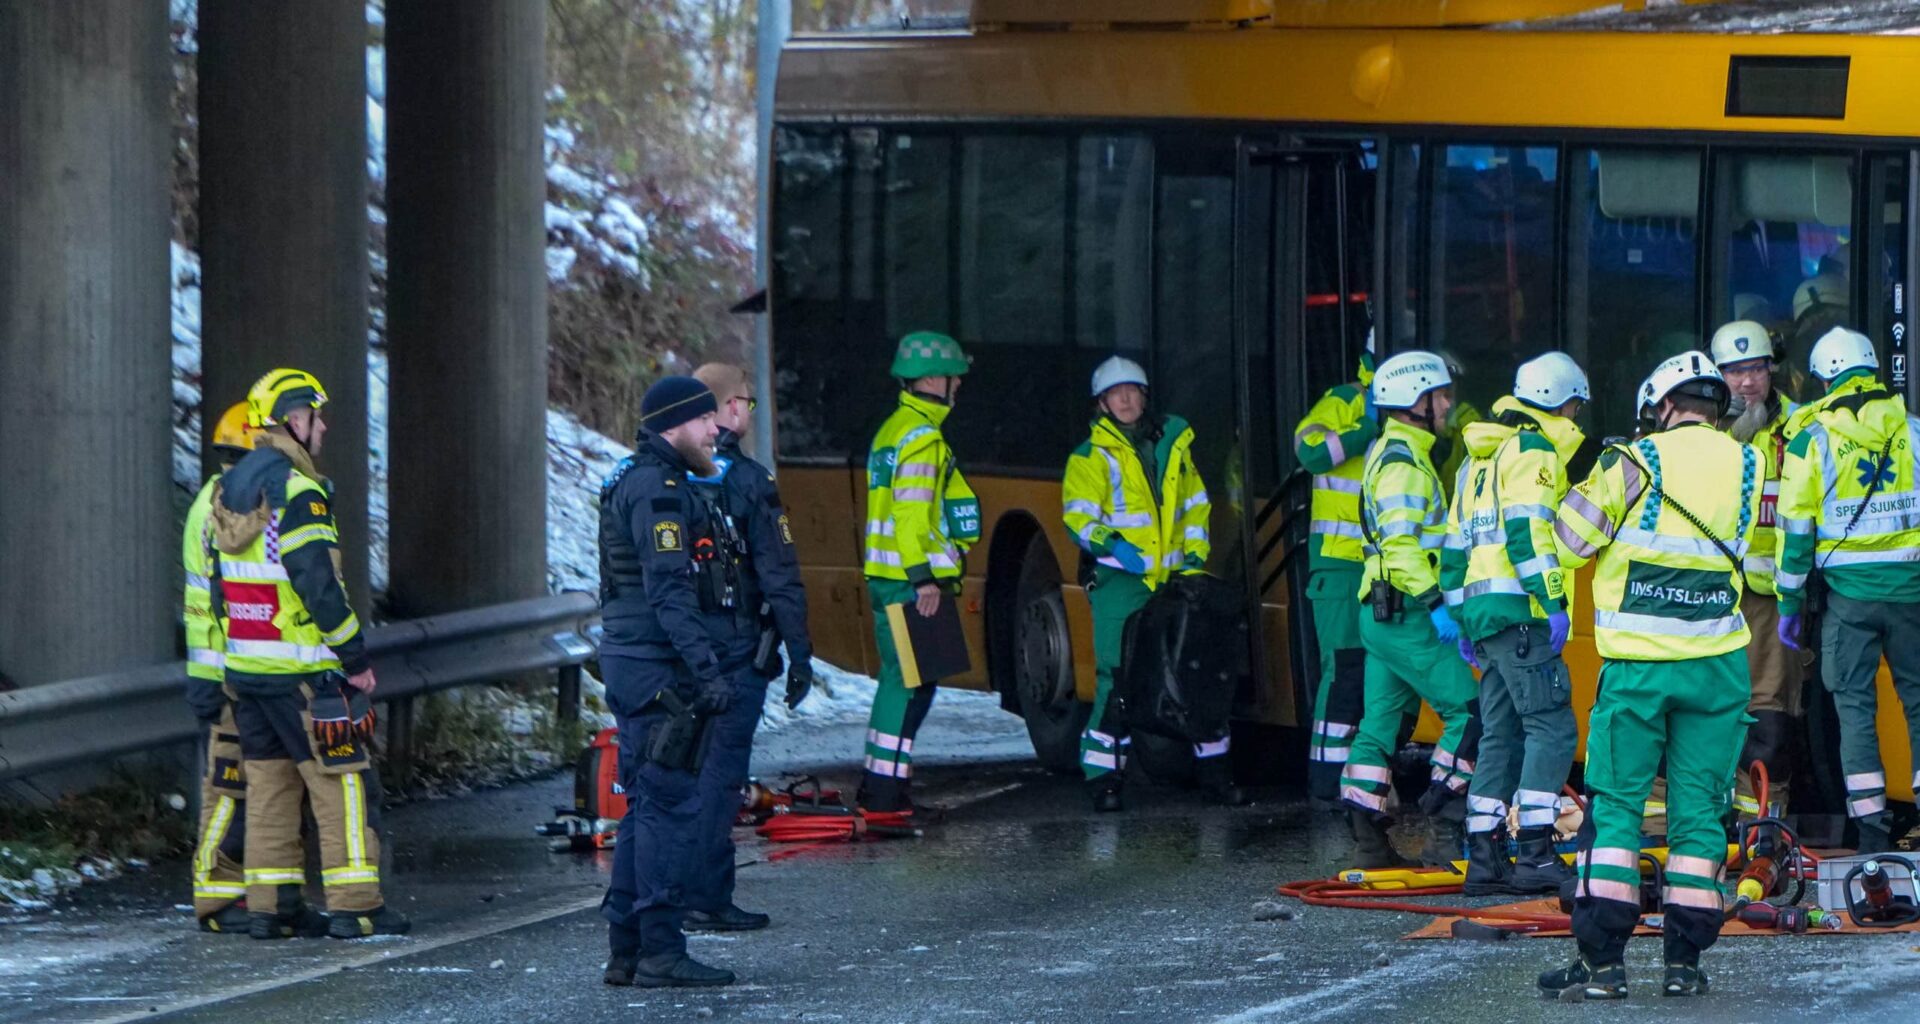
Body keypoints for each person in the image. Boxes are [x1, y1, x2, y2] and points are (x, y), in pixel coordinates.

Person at [1543, 352, 1760, 999]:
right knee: (1698, 817)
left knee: (1617, 811)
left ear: (1661, 407)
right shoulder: (1750, 464)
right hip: (1717, 669)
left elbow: (1569, 538)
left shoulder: (1632, 463)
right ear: (1717, 406)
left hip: (1639, 667)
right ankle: (1683, 967)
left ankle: (1604, 965)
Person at [210, 369, 406, 940]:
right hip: (305, 673)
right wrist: (353, 657)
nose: (321, 428)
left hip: (249, 671)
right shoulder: (298, 492)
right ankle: (356, 906)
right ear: (295, 420)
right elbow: (317, 582)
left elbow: (222, 586)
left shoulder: (229, 489)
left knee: (269, 786)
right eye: (316, 417)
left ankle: (271, 909)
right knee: (341, 783)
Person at [597, 376, 740, 987]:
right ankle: (659, 949)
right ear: (675, 424)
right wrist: (705, 668)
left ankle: (627, 950)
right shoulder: (659, 489)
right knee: (670, 805)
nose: (717, 429)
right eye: (707, 419)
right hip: (657, 669)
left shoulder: (641, 477)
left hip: (637, 663)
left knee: (645, 807)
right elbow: (668, 589)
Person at [1062, 356, 1240, 813]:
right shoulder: (1090, 456)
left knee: (1193, 672)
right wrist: (1114, 546)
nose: (1125, 399)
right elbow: (1079, 519)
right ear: (1101, 403)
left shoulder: (1174, 446)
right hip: (1122, 580)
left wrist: (1195, 560)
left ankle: (1215, 777)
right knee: (1117, 678)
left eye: (1133, 391)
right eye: (1116, 393)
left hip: (1177, 579)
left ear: (1145, 397)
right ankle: (1102, 779)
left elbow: (1196, 506)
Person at [1443, 353, 1587, 896]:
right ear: (1559, 401)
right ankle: (1535, 852)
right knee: (1551, 729)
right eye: (1575, 404)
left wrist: (1462, 619)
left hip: (1485, 618)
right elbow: (1530, 534)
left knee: (1500, 733)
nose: (1577, 415)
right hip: (1522, 614)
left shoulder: (1476, 459)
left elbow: (1454, 550)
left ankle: (1484, 857)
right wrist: (1552, 600)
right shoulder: (1533, 452)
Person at [1775, 327, 1920, 854]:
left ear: (1824, 380)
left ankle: (1873, 832)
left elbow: (1795, 535)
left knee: (1855, 711)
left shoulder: (1811, 440)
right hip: (1912, 596)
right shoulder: (1913, 432)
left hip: (1849, 603)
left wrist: (1789, 605)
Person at [681, 363, 814, 932]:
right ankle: (707, 896)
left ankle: (667, 894)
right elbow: (778, 573)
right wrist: (800, 654)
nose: (750, 414)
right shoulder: (749, 481)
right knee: (720, 773)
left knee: (673, 773)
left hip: (678, 648)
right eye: (749, 404)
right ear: (729, 407)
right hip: (736, 648)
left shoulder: (657, 475)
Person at [1342, 351, 1480, 869]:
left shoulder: (1395, 451)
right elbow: (1401, 550)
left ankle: (1369, 845)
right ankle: (1446, 832)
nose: (1447, 405)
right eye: (1440, 396)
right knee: (1471, 715)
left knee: (1380, 728)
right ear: (1414, 402)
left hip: (1382, 615)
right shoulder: (1405, 466)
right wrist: (1436, 604)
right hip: (1406, 615)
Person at [859, 332, 981, 813]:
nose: (958, 388)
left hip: (890, 577)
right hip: (909, 582)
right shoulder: (922, 437)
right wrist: (923, 578)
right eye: (955, 378)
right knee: (907, 684)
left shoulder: (894, 429)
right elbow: (911, 514)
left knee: (907, 681)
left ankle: (883, 784)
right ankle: (886, 794)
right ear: (933, 379)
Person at [1708, 320, 1806, 819]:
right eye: (1735, 372)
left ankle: (1760, 825)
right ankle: (1690, 822)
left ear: (1772, 370)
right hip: (1710, 595)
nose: (1747, 382)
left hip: (1772, 597)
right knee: (1703, 711)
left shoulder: (1802, 428)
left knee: (1768, 715)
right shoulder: (1701, 429)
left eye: (1756, 370)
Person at [182, 402, 257, 933]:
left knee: (240, 789)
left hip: (231, 668)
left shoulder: (214, 499)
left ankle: (243, 888)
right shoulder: (226, 507)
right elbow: (208, 602)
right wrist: (210, 679)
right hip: (231, 672)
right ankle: (217, 894)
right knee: (228, 789)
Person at [1292, 350, 1379, 805]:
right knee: (1346, 670)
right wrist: (1365, 427)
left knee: (1373, 675)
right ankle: (1327, 784)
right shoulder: (1345, 401)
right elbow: (1309, 451)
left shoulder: (1416, 413)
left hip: (1378, 564)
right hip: (1340, 562)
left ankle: (1358, 782)